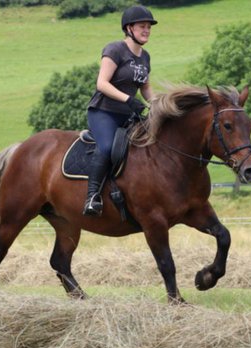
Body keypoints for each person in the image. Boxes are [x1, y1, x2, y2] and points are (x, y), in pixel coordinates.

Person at [83, 5, 157, 216]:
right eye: (142, 26)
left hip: (128, 116)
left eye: (149, 27)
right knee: (107, 148)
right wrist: (128, 99)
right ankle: (92, 197)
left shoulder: (145, 57)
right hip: (103, 112)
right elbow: (102, 83)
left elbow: (145, 88)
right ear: (129, 28)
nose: (147, 30)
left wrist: (159, 105)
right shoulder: (115, 50)